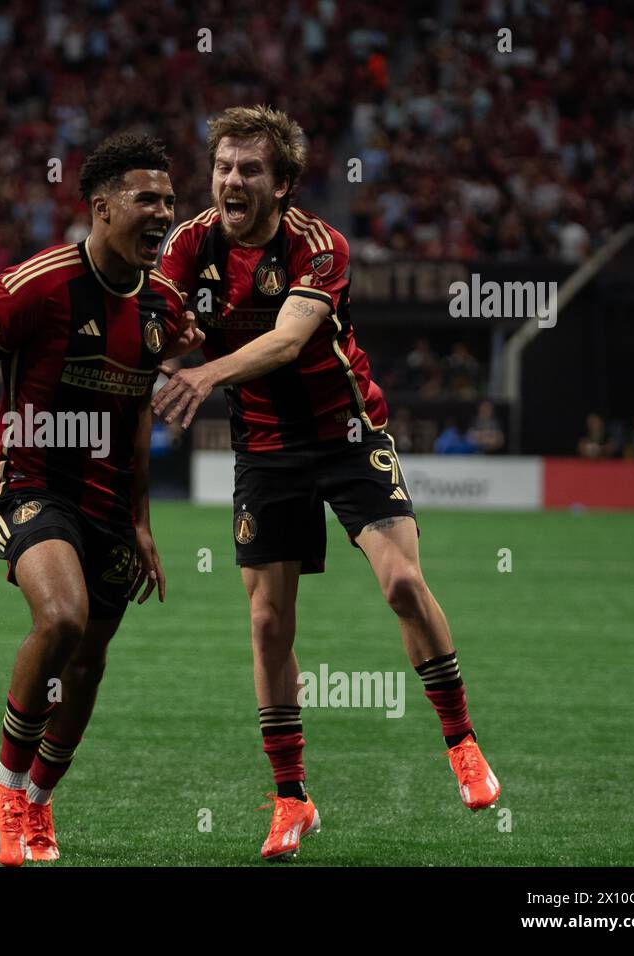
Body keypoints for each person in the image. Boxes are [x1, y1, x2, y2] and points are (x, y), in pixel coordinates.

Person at [155, 105, 499, 861]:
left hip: (347, 434)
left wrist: (201, 370)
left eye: (249, 169)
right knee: (269, 625)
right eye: (223, 167)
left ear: (282, 184)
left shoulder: (319, 246)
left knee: (403, 584)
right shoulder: (186, 245)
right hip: (266, 450)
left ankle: (462, 742)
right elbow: (153, 319)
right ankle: (290, 799)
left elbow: (287, 338)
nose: (231, 180)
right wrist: (163, 341)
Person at [0, 133, 200, 866]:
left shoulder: (163, 303)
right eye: (147, 200)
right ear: (102, 207)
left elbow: (139, 407)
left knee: (88, 663)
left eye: (171, 203)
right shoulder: (35, 285)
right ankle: (3, 788)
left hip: (111, 503)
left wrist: (142, 521)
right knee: (61, 617)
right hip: (28, 484)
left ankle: (39, 804)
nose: (163, 214)